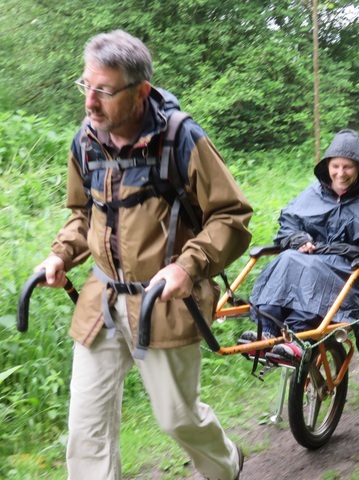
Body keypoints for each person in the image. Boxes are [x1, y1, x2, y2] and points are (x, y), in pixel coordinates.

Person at [33, 30, 252, 480]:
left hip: (163, 302)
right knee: (86, 428)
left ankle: (226, 465)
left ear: (141, 92)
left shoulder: (181, 140)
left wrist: (187, 265)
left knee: (177, 417)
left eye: (105, 91)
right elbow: (83, 212)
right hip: (101, 299)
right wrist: (60, 255)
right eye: (85, 86)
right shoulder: (86, 141)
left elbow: (231, 217)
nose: (90, 102)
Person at [243, 129, 359, 367]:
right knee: (287, 258)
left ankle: (299, 336)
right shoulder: (314, 194)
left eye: (348, 167)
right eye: (335, 166)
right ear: (327, 166)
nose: (340, 173)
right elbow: (289, 223)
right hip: (313, 264)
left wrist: (329, 250)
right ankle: (268, 330)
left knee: (311, 267)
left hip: (357, 275)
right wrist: (299, 239)